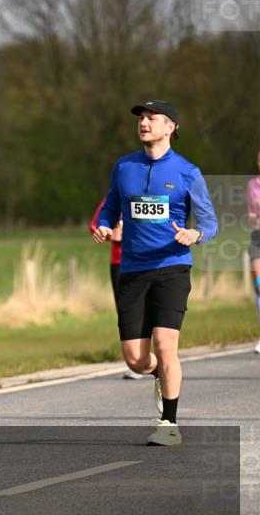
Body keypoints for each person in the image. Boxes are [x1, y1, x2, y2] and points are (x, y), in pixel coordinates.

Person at [94, 100, 218, 446]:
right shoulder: (124, 167)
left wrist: (195, 234)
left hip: (172, 267)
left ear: (170, 127)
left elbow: (210, 222)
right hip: (133, 270)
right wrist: (104, 226)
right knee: (136, 360)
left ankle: (169, 424)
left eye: (152, 118)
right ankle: (159, 375)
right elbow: (110, 208)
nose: (144, 123)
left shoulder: (187, 172)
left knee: (165, 345)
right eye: (141, 118)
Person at [89, 197, 143, 379]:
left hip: (143, 261)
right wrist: (110, 234)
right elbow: (94, 226)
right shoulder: (111, 198)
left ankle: (150, 355)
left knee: (146, 309)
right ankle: (135, 361)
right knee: (125, 311)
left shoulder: (147, 195)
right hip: (119, 263)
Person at [247, 151, 260, 354]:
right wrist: (252, 215)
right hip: (257, 236)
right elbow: (250, 214)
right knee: (259, 286)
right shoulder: (252, 185)